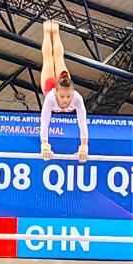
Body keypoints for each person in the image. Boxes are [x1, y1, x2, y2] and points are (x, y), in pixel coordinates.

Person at [40, 20, 88, 162]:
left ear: (73, 92)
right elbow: (44, 123)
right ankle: (47, 32)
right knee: (49, 59)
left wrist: (84, 145)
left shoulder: (77, 98)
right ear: (56, 93)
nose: (66, 100)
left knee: (58, 57)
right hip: (49, 84)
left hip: (56, 84)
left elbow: (82, 123)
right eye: (62, 96)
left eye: (68, 96)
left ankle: (55, 32)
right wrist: (44, 145)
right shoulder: (50, 98)